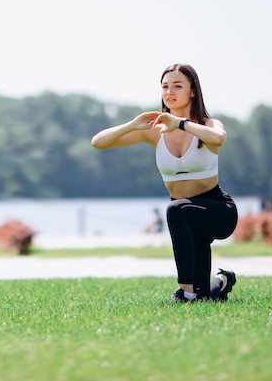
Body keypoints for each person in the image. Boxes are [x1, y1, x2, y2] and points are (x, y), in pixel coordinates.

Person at [91, 63, 238, 304]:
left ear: (192, 91)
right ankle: (222, 280)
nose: (169, 91)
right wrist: (132, 125)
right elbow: (98, 142)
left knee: (175, 209)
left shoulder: (207, 125)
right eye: (165, 86)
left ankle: (184, 293)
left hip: (217, 211)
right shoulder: (154, 132)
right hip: (187, 220)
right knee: (204, 296)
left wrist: (180, 123)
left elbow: (219, 138)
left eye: (177, 86)